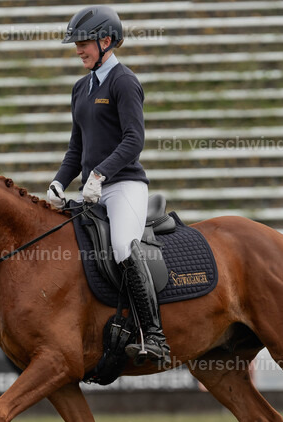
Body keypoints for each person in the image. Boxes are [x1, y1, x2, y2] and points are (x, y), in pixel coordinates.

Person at [47, 5, 171, 367]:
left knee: (121, 248)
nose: (78, 50)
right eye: (77, 43)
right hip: (92, 188)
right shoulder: (80, 87)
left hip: (123, 186)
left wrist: (99, 174)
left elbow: (134, 140)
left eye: (83, 42)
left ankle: (155, 336)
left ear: (106, 41)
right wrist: (57, 182)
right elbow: (76, 148)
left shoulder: (124, 82)